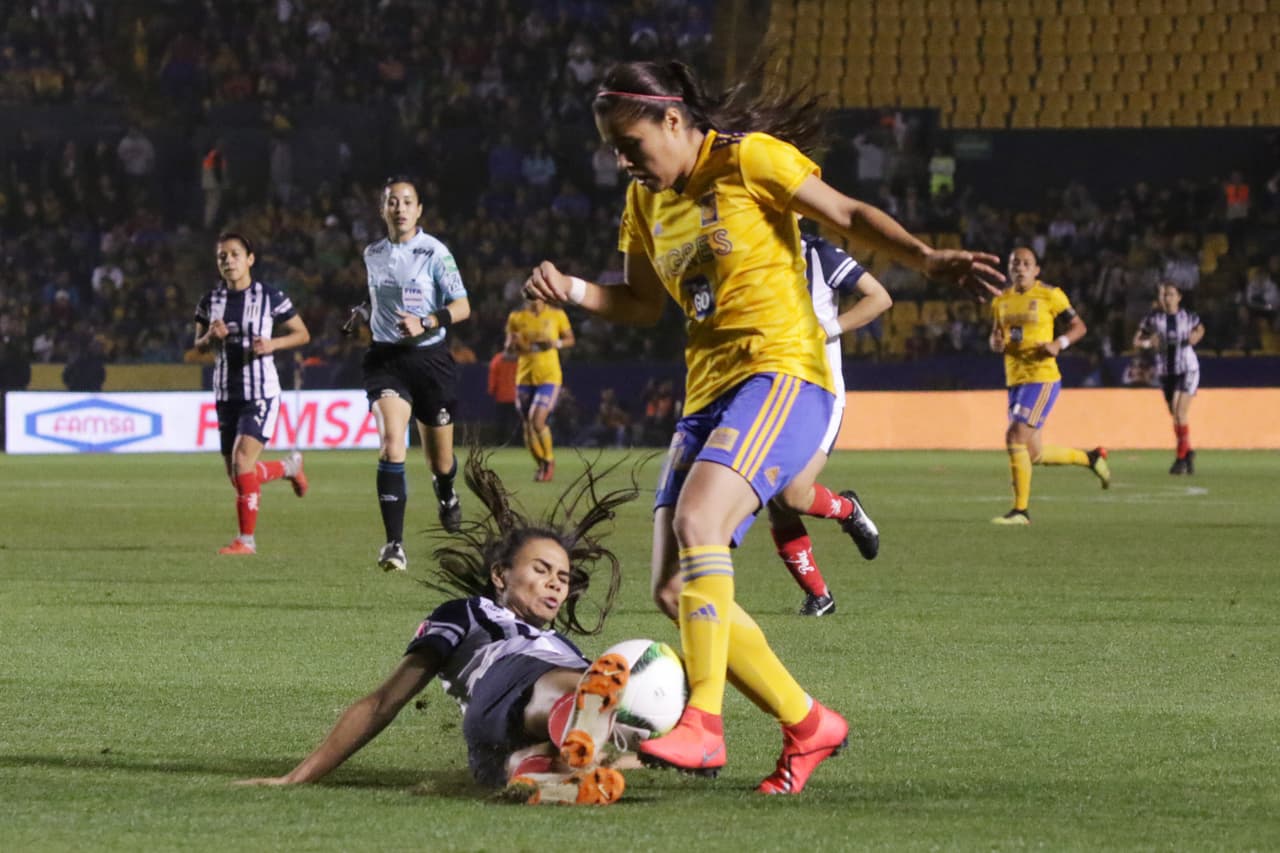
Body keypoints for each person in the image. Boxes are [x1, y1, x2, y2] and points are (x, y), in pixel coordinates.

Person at [524, 60, 1002, 794]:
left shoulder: (747, 157)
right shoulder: (643, 201)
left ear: (674, 121)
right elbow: (642, 303)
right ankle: (809, 723)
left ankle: (704, 724)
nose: (620, 159)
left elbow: (844, 214)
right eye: (612, 148)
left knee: (700, 518)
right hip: (706, 393)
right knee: (671, 588)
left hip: (780, 372)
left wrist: (924, 257)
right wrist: (576, 291)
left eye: (629, 141)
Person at [236, 451, 642, 806]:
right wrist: (296, 776)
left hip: (491, 755)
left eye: (564, 577)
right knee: (580, 688)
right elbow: (382, 702)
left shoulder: (564, 646)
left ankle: (547, 778)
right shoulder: (469, 613)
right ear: (500, 576)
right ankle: (577, 720)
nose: (556, 582)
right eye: (541, 569)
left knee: (608, 735)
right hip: (505, 681)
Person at [768, 231, 893, 617]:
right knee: (775, 496)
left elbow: (879, 297)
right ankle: (819, 596)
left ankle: (847, 510)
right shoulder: (744, 251)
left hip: (818, 393)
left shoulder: (818, 253)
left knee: (791, 493)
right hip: (768, 393)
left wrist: (827, 329)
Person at [360, 175, 471, 572]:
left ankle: (446, 493)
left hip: (430, 361)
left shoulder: (435, 253)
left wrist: (427, 320)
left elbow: (462, 306)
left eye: (407, 201)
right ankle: (394, 544)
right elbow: (378, 298)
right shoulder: (372, 253)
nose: (400, 208)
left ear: (419, 209)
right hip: (386, 361)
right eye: (392, 201)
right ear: (383, 209)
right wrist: (362, 314)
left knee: (440, 462)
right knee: (392, 444)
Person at [193, 232, 311, 555]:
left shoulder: (270, 296)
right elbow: (196, 348)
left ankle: (246, 541)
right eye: (222, 257)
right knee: (238, 474)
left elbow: (302, 333)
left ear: (250, 259)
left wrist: (273, 344)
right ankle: (288, 468)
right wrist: (210, 340)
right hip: (225, 393)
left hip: (260, 391)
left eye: (234, 254)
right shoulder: (209, 301)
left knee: (242, 460)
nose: (228, 261)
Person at [989, 247, 1110, 526]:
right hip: (1015, 379)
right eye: (1015, 263)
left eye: (1026, 263)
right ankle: (1090, 458)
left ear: (1036, 270)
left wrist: (1059, 343)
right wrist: (994, 343)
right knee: (1034, 454)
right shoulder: (1001, 300)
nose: (1020, 267)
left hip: (1042, 376)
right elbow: (996, 336)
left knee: (1015, 436)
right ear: (1009, 269)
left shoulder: (1050, 295)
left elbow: (1079, 326)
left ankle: (1021, 511)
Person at [1134, 283, 1205, 474]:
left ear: (1179, 297)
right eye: (1165, 294)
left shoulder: (1187, 317)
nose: (1167, 298)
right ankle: (1188, 451)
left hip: (1187, 368)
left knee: (1179, 411)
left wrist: (1195, 337)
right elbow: (1137, 340)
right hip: (1166, 372)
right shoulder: (1154, 319)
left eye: (1171, 294)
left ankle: (1181, 458)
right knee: (1175, 414)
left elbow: (1200, 329)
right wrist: (1149, 342)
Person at [505, 295, 575, 481]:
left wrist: (556, 343)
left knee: (537, 421)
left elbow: (570, 339)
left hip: (549, 377)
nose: (532, 298)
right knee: (527, 427)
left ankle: (549, 461)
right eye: (528, 295)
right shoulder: (517, 317)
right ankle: (542, 464)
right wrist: (513, 345)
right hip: (525, 377)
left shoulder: (557, 315)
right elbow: (508, 349)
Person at [486, 344, 520, 446]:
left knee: (501, 422)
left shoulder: (497, 359)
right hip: (516, 397)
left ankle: (500, 442)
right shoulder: (520, 359)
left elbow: (493, 377)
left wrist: (491, 390)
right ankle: (517, 443)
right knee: (515, 423)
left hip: (502, 396)